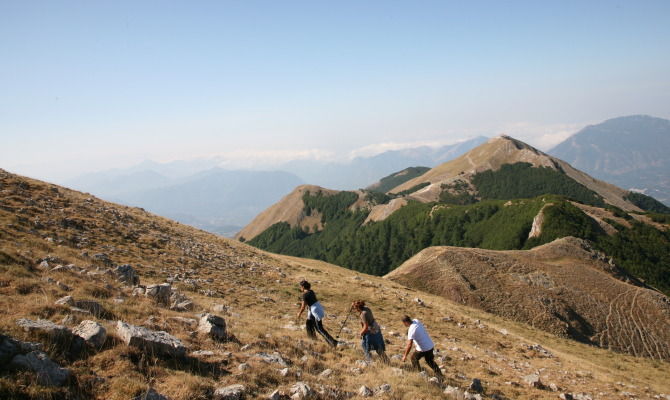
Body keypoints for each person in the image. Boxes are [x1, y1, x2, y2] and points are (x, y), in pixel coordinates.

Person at [401, 315, 444, 380]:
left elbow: (409, 344)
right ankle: (440, 376)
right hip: (430, 345)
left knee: (413, 359)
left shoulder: (411, 330)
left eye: (403, 323)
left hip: (423, 348)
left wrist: (405, 356)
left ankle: (420, 375)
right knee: (430, 361)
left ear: (405, 322)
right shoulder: (416, 320)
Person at [296, 280, 337, 347]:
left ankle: (332, 342)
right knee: (308, 323)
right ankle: (312, 339)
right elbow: (309, 303)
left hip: (315, 311)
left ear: (303, 287)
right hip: (317, 309)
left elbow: (303, 307)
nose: (300, 288)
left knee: (319, 329)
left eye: (300, 287)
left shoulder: (304, 295)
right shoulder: (311, 291)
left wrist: (299, 314)